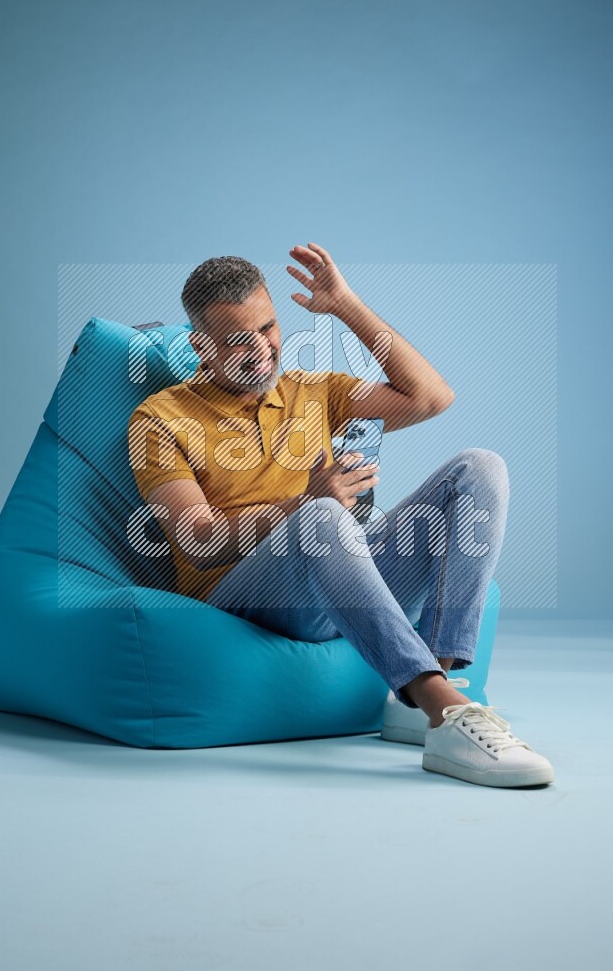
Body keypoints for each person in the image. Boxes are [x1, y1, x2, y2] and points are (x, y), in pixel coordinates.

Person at [127, 243, 554, 788]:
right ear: (201, 346)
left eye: (268, 328)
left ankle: (429, 692)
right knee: (322, 518)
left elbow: (431, 397)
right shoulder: (159, 417)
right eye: (237, 340)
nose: (260, 349)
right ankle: (448, 713)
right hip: (244, 601)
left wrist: (344, 304)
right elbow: (197, 541)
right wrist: (302, 504)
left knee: (479, 469)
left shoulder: (313, 392)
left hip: (336, 577)